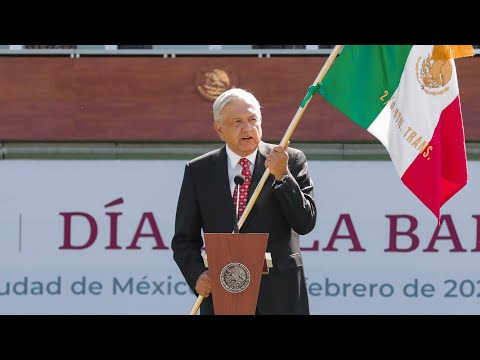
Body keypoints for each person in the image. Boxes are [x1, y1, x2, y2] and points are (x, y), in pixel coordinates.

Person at [171, 88, 316, 315]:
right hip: (224, 292)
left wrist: (283, 177)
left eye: (252, 119)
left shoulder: (289, 160)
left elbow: (305, 223)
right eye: (237, 122)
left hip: (280, 296)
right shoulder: (198, 171)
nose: (247, 128)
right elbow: (183, 241)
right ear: (219, 129)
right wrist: (196, 275)